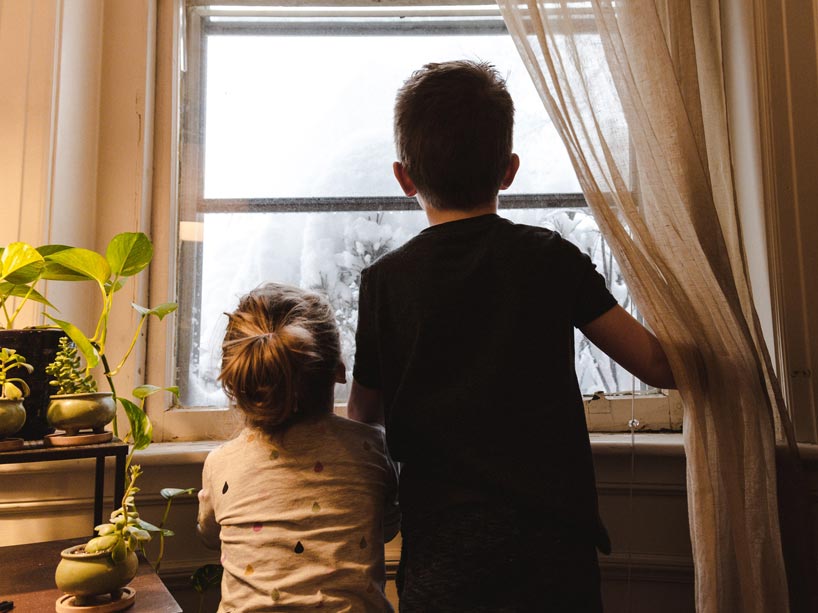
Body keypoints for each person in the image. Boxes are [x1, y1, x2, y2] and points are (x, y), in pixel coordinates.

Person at [348, 60, 676, 612]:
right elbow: (659, 365)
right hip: (553, 559)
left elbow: (364, 416)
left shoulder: (384, 282)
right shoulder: (549, 257)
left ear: (404, 177)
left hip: (442, 563)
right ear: (509, 169)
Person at [197, 283, 400, 612]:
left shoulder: (221, 465)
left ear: (237, 385)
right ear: (339, 370)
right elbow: (388, 527)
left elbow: (208, 536)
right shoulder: (373, 450)